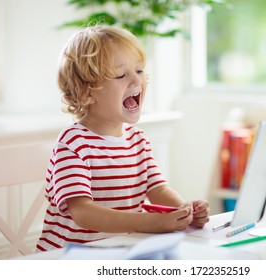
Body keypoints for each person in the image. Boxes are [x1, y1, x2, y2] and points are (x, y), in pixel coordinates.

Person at [36, 25, 210, 251]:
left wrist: (185, 210)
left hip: (118, 252)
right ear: (87, 93)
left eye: (139, 71)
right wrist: (148, 222)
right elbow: (83, 213)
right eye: (120, 75)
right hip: (68, 259)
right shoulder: (73, 144)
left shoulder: (137, 140)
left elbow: (157, 189)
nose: (136, 81)